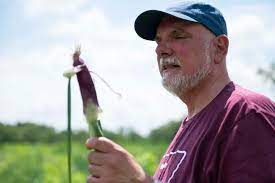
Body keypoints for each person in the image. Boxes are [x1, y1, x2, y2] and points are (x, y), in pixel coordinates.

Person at [86, 2, 275, 183]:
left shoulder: (246, 114)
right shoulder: (188, 126)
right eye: (158, 41)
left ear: (219, 48)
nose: (162, 50)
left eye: (178, 36)